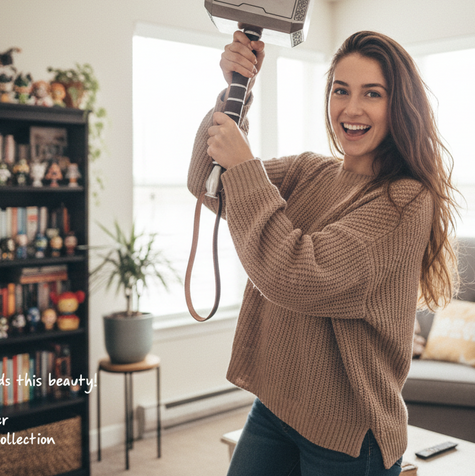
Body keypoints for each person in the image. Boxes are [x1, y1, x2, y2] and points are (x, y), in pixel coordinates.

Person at [187, 30, 459, 476]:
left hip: (349, 434)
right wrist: (236, 91)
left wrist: (245, 168)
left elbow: (297, 275)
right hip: (277, 403)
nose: (351, 109)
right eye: (340, 90)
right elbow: (207, 181)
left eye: (372, 93)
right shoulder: (309, 170)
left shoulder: (405, 200)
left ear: (399, 106)